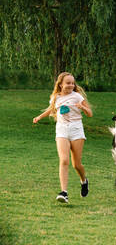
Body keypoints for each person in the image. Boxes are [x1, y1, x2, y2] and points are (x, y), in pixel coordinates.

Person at [33, 72, 93, 203]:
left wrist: (82, 107)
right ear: (60, 84)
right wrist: (39, 117)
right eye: (68, 83)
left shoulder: (77, 96)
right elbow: (51, 109)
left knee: (76, 164)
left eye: (72, 83)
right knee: (64, 160)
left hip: (76, 129)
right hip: (61, 130)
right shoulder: (56, 97)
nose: (71, 85)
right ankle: (64, 192)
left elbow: (90, 114)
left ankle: (84, 180)